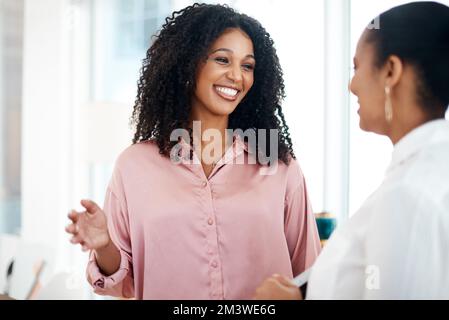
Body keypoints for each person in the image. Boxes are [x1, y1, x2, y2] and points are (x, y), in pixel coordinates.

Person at [65, 3, 321, 299]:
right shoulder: (133, 166)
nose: (237, 76)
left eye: (247, 66)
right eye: (223, 60)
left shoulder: (278, 165)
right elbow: (121, 284)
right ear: (187, 64)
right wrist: (104, 244)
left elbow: (309, 274)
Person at [255, 1, 449, 300]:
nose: (352, 85)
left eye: (357, 68)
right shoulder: (429, 171)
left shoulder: (408, 193)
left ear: (391, 71)